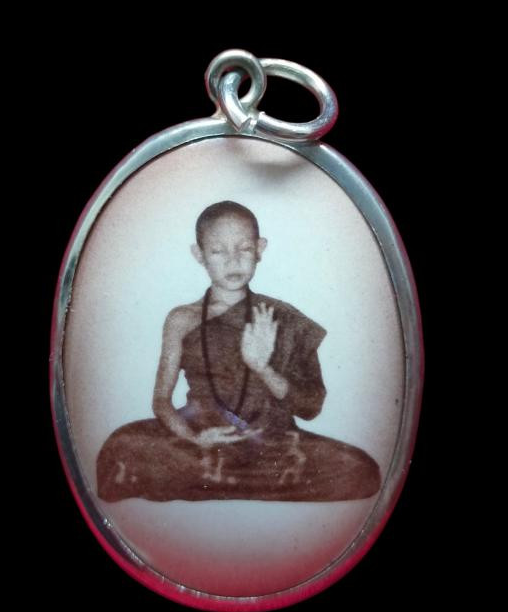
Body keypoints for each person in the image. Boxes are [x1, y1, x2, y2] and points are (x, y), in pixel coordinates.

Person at [96, 201, 381, 502]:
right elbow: (161, 401)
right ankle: (241, 478)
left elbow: (311, 407)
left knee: (360, 470)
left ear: (259, 249)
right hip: (203, 437)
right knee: (121, 447)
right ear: (199, 254)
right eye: (218, 251)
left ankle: (218, 479)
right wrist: (194, 438)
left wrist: (263, 368)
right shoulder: (182, 319)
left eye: (244, 248)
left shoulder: (282, 317)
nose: (233, 260)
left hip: (272, 442)